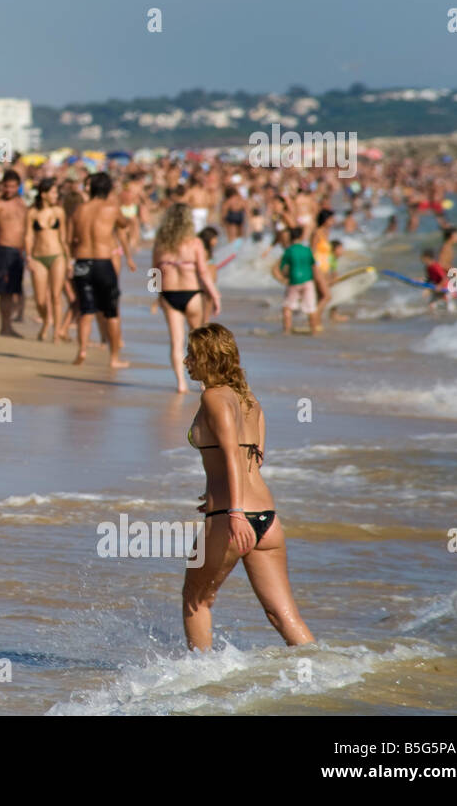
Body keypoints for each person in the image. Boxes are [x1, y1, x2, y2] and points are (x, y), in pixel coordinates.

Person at [181, 323, 315, 651]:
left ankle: (200, 682)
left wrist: (234, 508)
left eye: (192, 354)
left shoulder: (213, 398)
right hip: (267, 519)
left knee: (196, 600)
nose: (186, 361)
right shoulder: (249, 399)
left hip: (231, 518)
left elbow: (230, 452)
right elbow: (254, 460)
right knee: (283, 615)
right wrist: (217, 491)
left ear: (209, 358)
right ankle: (321, 670)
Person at [153, 204, 220, 393]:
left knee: (176, 342)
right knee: (198, 341)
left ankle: (181, 384)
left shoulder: (161, 243)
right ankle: (203, 381)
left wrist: (157, 296)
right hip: (192, 294)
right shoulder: (195, 243)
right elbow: (203, 272)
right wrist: (215, 295)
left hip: (169, 294)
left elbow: (154, 271)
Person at [70, 172, 135, 366]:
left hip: (81, 262)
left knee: (86, 311)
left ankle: (81, 350)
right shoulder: (111, 208)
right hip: (102, 262)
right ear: (107, 189)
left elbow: (70, 238)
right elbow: (124, 224)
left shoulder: (79, 210)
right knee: (111, 312)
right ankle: (114, 358)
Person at [25, 178, 69, 343]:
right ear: (43, 194)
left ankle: (56, 331)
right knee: (40, 299)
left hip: (57, 255)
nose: (56, 195)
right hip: (38, 257)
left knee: (56, 296)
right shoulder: (32, 213)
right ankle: (46, 321)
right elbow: (28, 236)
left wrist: (69, 259)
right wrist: (28, 257)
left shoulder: (59, 212)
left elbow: (63, 238)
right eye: (53, 192)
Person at [0, 169, 29, 337]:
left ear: (18, 187)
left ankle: (9, 326)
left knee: (15, 290)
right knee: (5, 291)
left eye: (13, 187)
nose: (9, 190)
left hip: (19, 252)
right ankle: (4, 326)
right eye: (6, 186)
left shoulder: (22, 203)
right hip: (4, 249)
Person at [273, 226, 323, 334]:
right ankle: (314, 331)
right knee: (311, 308)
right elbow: (314, 267)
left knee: (287, 307)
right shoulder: (307, 250)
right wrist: (318, 281)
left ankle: (287, 330)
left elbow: (281, 268)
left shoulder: (289, 251)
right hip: (308, 281)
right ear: (301, 236)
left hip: (294, 281)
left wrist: (283, 279)